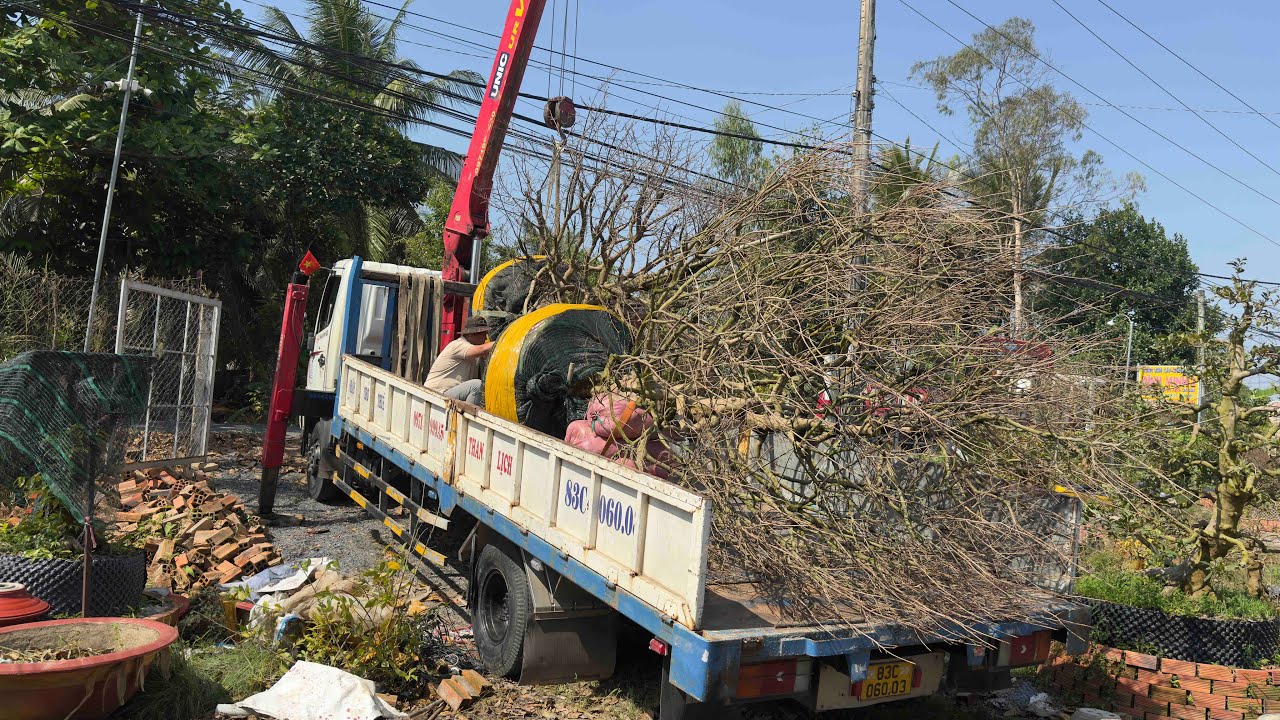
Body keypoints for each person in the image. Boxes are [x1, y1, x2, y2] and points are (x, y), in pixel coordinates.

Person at [424, 315, 493, 405]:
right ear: (472, 334)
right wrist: (502, 340)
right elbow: (482, 349)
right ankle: (469, 418)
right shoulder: (458, 345)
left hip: (448, 394)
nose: (486, 338)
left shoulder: (475, 354)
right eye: (484, 334)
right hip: (437, 394)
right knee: (477, 386)